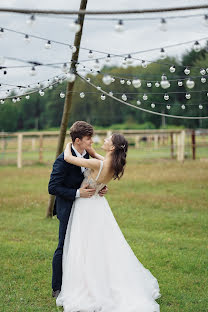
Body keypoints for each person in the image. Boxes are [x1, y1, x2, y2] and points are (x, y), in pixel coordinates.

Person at [56, 133, 161, 312]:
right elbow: (97, 157)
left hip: (86, 205)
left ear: (112, 147)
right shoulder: (111, 163)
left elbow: (68, 158)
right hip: (98, 204)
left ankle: (87, 283)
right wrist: (90, 149)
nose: (104, 140)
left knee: (85, 245)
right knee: (102, 244)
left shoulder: (99, 163)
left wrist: (68, 144)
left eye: (107, 140)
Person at [48, 121, 108, 299]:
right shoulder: (62, 160)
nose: (91, 142)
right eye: (88, 139)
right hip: (68, 209)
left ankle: (81, 283)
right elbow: (53, 187)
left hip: (86, 210)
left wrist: (100, 188)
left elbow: (91, 178)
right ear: (77, 140)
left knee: (84, 247)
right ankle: (57, 287)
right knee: (63, 246)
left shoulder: (87, 157)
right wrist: (77, 193)